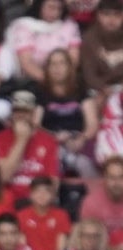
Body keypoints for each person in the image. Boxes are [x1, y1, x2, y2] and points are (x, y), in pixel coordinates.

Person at [36, 48, 97, 178]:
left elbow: (92, 124)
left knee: (84, 164)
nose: (57, 68)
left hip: (78, 140)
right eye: (53, 64)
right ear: (47, 69)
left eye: (61, 63)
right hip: (52, 140)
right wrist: (53, 137)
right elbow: (35, 125)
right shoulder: (41, 93)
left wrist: (81, 139)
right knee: (55, 160)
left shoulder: (82, 91)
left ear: (69, 67)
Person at [16, 176, 70, 250]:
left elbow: (61, 247)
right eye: (37, 191)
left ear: (53, 195)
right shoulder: (21, 216)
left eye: (46, 191)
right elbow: (22, 246)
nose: (42, 195)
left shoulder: (61, 215)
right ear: (30, 195)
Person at [79, 0, 123, 95]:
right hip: (98, 90)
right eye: (106, 14)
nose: (111, 19)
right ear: (98, 16)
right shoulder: (89, 38)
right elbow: (89, 74)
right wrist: (104, 89)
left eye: (117, 15)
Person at [79, 156, 123, 236]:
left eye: (121, 177)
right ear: (104, 178)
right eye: (112, 178)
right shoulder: (91, 203)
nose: (117, 183)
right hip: (100, 247)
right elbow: (88, 240)